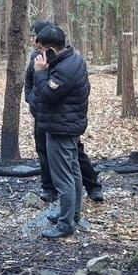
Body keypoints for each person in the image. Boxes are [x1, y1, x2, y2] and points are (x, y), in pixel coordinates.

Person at [25, 20, 104, 204]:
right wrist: (31, 101)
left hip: (62, 120)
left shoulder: (64, 62)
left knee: (75, 156)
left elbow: (50, 90)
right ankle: (48, 189)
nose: (33, 42)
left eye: (35, 38)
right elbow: (30, 82)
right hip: (43, 115)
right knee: (43, 151)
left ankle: (92, 186)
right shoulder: (36, 58)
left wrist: (41, 74)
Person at [29, 24, 91, 239]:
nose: (39, 55)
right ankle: (70, 214)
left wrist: (40, 73)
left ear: (52, 50)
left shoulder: (65, 68)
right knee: (73, 173)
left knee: (64, 178)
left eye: (41, 50)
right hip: (65, 125)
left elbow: (47, 93)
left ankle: (66, 224)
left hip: (61, 129)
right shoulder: (70, 60)